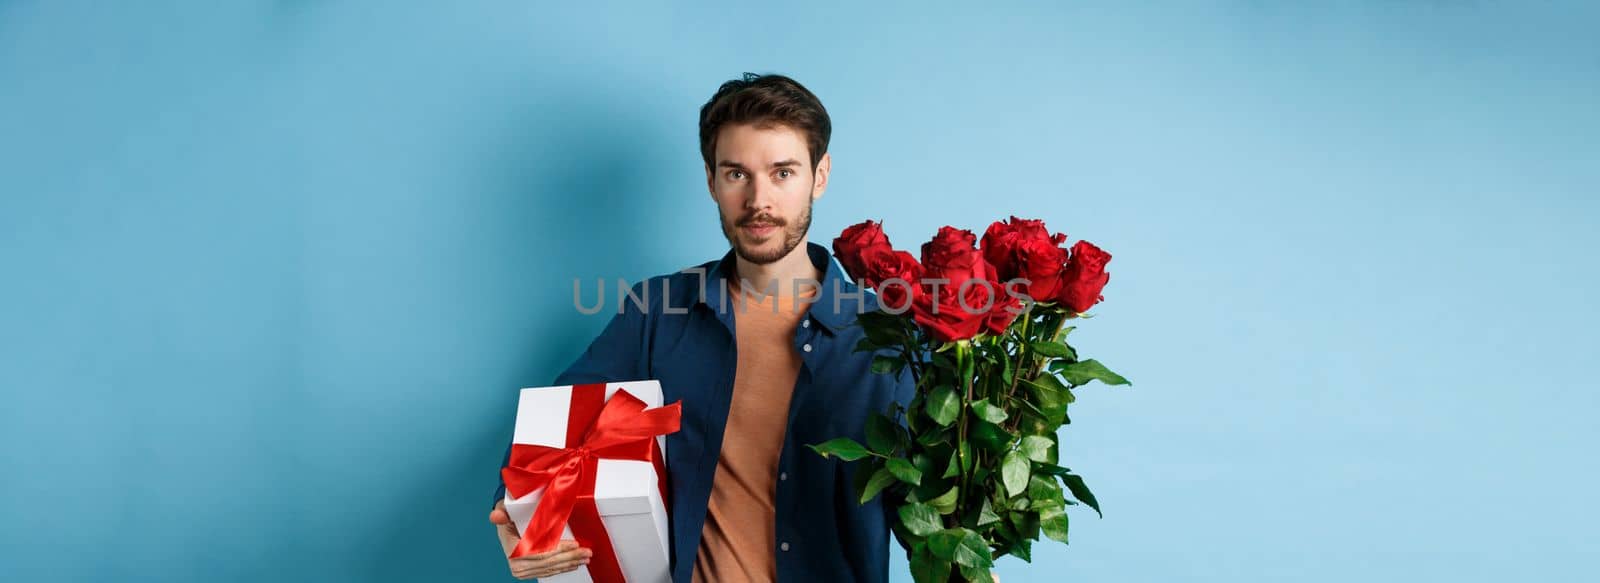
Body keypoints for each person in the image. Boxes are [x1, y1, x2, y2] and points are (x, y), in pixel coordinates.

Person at [488, 73, 915, 582]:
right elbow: (552, 431)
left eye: (782, 173)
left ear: (819, 176)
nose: (759, 200)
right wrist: (517, 515)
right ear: (711, 180)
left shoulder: (887, 340)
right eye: (737, 174)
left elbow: (924, 508)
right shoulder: (657, 311)